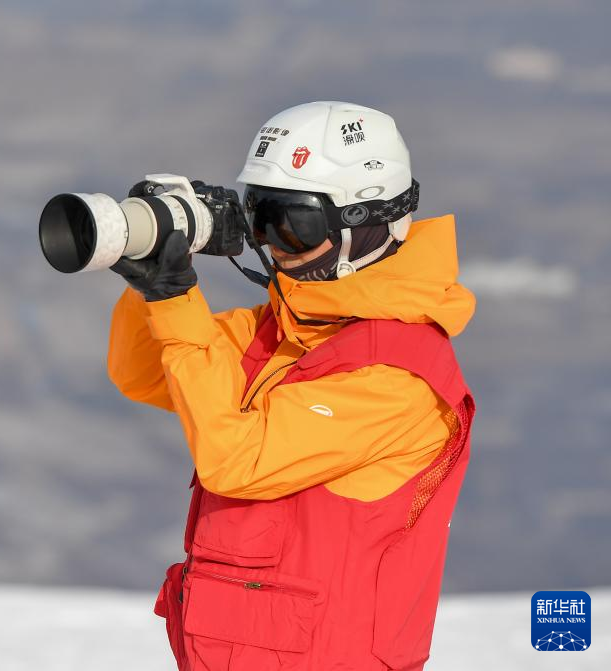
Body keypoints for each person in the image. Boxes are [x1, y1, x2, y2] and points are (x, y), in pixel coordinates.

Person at [106, 101, 476, 670]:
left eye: (292, 223)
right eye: (258, 217)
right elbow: (145, 372)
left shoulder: (397, 379)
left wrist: (176, 296)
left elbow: (236, 461)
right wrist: (147, 278)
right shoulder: (279, 333)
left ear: (365, 223)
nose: (271, 243)